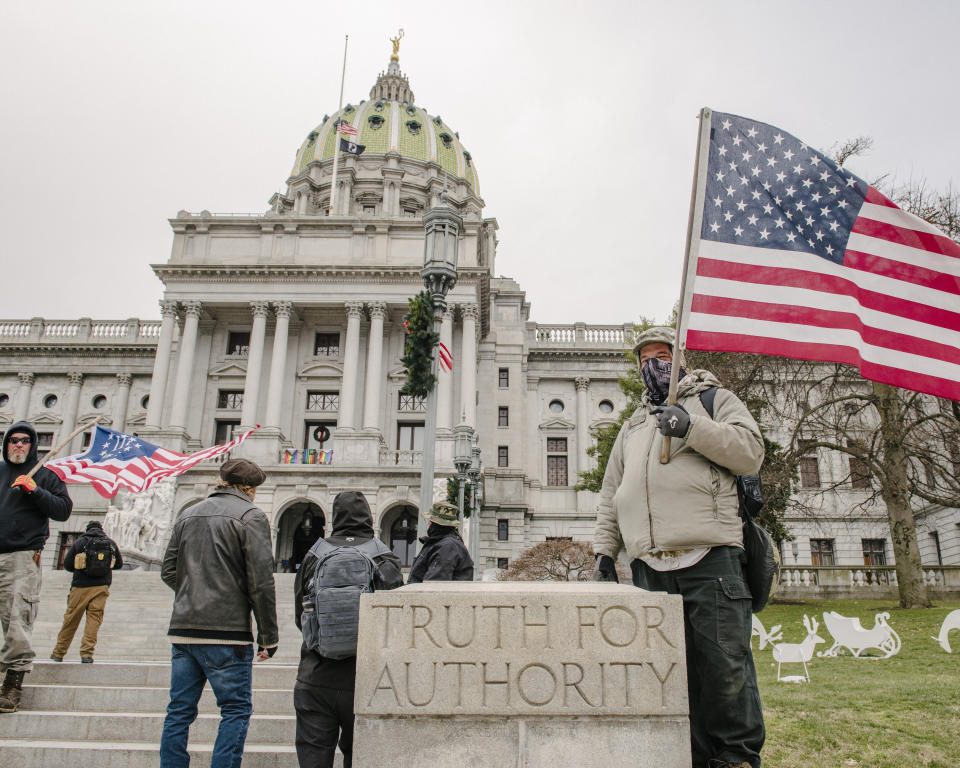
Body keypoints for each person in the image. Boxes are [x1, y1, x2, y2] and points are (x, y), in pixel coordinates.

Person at [593, 327, 765, 768]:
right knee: (670, 673)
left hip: (710, 557)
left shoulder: (714, 399)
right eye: (646, 357)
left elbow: (749, 451)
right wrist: (604, 551)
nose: (654, 363)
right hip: (650, 566)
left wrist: (691, 426)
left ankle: (736, 755)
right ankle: (690, 756)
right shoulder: (633, 425)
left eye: (663, 354)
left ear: (680, 359)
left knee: (724, 668)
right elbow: (613, 491)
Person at [159, 458, 278, 768]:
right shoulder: (251, 516)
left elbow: (169, 570)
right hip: (227, 633)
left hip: (184, 630)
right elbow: (260, 582)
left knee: (179, 711)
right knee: (235, 710)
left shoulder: (187, 513)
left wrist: (192, 594)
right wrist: (268, 637)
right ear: (249, 489)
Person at [293, 491, 403, 768]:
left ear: (335, 517)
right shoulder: (384, 557)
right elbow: (396, 621)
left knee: (313, 757)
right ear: (369, 517)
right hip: (367, 678)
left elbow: (300, 615)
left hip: (316, 675)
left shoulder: (313, 555)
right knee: (361, 758)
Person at [0, 421, 73, 713]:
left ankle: (13, 683)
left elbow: (63, 510)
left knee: (17, 618)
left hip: (22, 557)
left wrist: (34, 490)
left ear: (33, 446)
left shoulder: (44, 475)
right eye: (13, 440)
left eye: (25, 441)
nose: (18, 444)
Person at [51, 520, 123, 663]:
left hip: (80, 586)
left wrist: (81, 569)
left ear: (88, 529)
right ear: (101, 529)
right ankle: (87, 654)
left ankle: (59, 652)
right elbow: (119, 564)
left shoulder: (80, 542)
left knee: (71, 620)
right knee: (94, 620)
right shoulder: (110, 543)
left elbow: (67, 564)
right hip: (101, 587)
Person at [407, 501, 474, 583]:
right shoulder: (443, 543)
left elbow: (434, 584)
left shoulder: (447, 546)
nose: (428, 524)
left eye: (430, 521)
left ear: (433, 524)